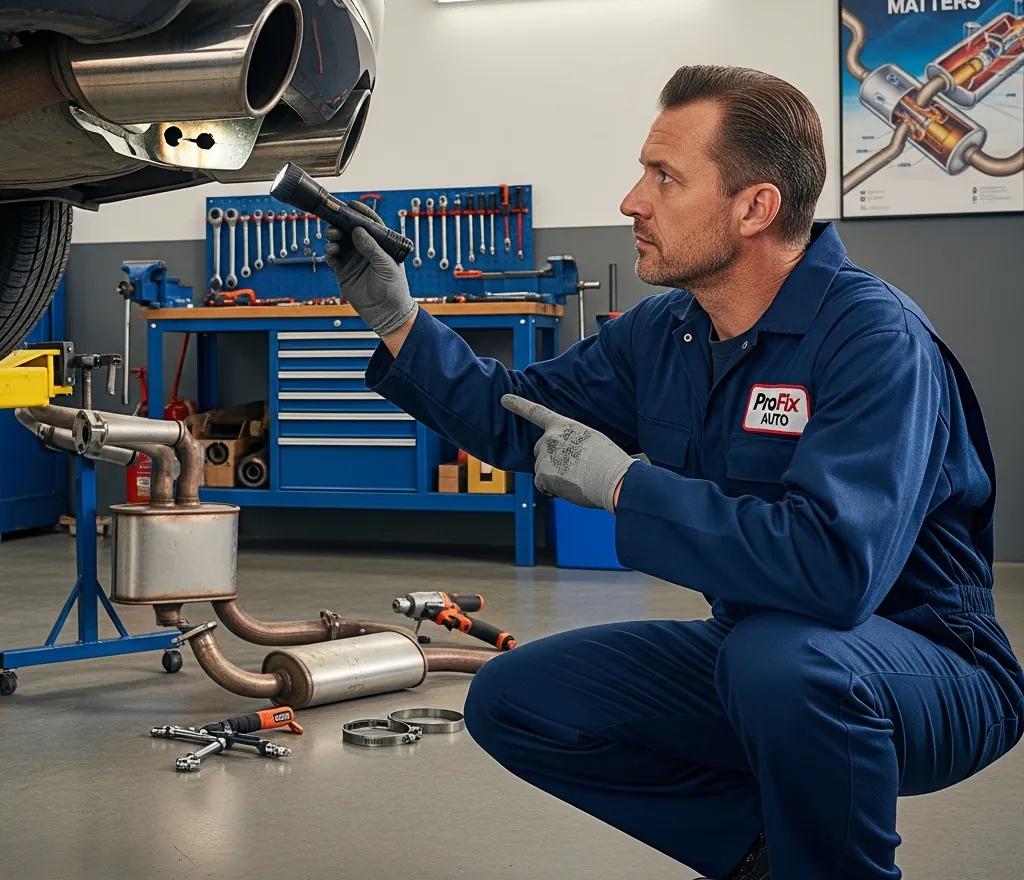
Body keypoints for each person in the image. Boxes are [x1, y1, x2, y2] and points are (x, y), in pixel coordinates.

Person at [324, 65, 1024, 880]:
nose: (631, 201)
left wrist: (626, 487)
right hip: (757, 657)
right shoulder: (668, 334)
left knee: (781, 661)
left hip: (930, 664)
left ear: (755, 207)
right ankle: (764, 855)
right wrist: (399, 320)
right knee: (516, 698)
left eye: (665, 178)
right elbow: (521, 416)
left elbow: (835, 572)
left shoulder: (873, 338)